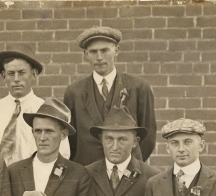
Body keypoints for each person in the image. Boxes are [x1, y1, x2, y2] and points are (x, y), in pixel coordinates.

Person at [65, 26, 156, 165]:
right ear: (86, 54)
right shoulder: (74, 92)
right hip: (88, 172)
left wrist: (132, 163)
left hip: (128, 171)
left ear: (116, 51)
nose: (99, 57)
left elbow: (147, 136)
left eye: (105, 50)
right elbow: (71, 140)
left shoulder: (138, 87)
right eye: (93, 52)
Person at [0, 43, 70, 165]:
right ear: (4, 76)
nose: (16, 79)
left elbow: (63, 154)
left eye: (22, 72)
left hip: (35, 178)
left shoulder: (47, 110)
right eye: (11, 73)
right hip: (0, 179)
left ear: (33, 74)